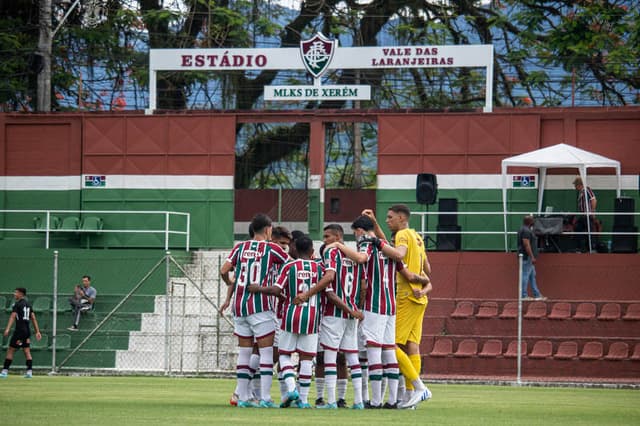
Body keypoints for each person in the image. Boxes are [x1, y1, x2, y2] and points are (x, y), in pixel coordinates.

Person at [327, 215, 408, 409]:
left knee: (373, 351)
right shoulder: (387, 247)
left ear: (360, 231)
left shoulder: (368, 244)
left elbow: (361, 258)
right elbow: (402, 268)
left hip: (374, 304)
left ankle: (376, 400)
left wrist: (339, 246)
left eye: (355, 233)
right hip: (390, 304)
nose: (355, 237)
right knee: (389, 350)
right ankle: (392, 399)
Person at [365, 205, 432, 408]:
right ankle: (411, 398)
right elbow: (427, 268)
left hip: (406, 294)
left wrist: (376, 242)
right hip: (419, 298)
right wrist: (376, 225)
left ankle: (419, 387)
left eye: (390, 217)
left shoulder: (402, 234)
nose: (388, 220)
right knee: (412, 346)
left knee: (390, 345)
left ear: (401, 217)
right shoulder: (416, 236)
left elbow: (399, 254)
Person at [248, 236, 328, 409]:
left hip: (291, 314)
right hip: (313, 316)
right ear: (312, 251)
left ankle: (291, 388)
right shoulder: (320, 268)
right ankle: (304, 401)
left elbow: (276, 289)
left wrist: (258, 288)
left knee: (284, 354)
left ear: (295, 249)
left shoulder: (289, 266)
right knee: (307, 359)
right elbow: (327, 290)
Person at [220, 213, 289, 408]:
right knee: (266, 353)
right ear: (268, 230)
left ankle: (243, 397)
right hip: (261, 307)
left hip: (240, 306)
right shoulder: (272, 248)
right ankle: (265, 398)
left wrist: (231, 282)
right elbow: (291, 265)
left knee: (244, 353)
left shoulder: (239, 248)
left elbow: (224, 270)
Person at [309, 224, 366, 409]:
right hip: (352, 312)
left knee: (330, 356)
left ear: (338, 236)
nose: (324, 240)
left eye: (327, 236)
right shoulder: (355, 255)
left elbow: (330, 284)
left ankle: (331, 401)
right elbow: (364, 285)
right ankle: (358, 402)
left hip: (334, 313)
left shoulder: (331, 253)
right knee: (352, 357)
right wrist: (357, 309)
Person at [1, 287, 42, 379]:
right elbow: (33, 318)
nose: (14, 294)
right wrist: (37, 331)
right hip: (27, 331)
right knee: (26, 351)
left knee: (11, 350)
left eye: (16, 293)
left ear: (21, 294)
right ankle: (29, 372)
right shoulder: (28, 304)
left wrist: (7, 329)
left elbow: (12, 316)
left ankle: (4, 371)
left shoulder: (17, 304)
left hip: (19, 331)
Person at [517, 215, 545, 300]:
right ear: (529, 222)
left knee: (532, 275)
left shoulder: (523, 229)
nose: (534, 222)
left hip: (526, 257)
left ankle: (537, 294)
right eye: (533, 220)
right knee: (525, 275)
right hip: (527, 257)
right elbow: (526, 244)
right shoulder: (526, 231)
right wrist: (532, 256)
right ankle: (523, 295)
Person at [572, 176, 599, 251]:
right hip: (582, 215)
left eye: (575, 185)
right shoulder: (581, 192)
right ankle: (580, 247)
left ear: (579, 185)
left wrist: (592, 212)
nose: (575, 187)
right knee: (578, 229)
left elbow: (594, 200)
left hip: (588, 215)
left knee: (590, 230)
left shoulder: (587, 190)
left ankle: (591, 248)